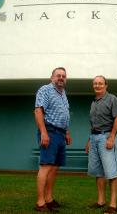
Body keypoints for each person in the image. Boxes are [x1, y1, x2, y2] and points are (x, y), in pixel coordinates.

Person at [34, 67, 72, 212]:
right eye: (58, 75)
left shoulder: (63, 94)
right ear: (52, 77)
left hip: (61, 134)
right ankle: (40, 202)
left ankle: (49, 199)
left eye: (63, 76)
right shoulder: (45, 90)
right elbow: (38, 110)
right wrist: (44, 132)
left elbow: (64, 114)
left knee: (55, 168)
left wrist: (67, 132)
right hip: (49, 131)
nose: (61, 78)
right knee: (46, 166)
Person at [86, 75, 117, 214]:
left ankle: (113, 205)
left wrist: (112, 137)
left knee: (111, 172)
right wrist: (89, 140)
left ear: (106, 85)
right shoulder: (94, 102)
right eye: (95, 83)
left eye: (100, 83)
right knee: (98, 172)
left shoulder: (112, 99)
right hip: (94, 138)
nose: (97, 86)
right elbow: (93, 124)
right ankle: (101, 201)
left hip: (107, 137)